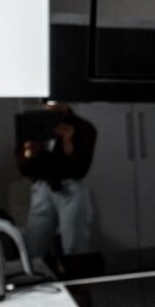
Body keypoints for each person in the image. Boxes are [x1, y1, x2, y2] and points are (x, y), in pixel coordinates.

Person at [15, 102, 97, 259]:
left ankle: (77, 281)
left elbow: (80, 169)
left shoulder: (82, 128)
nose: (50, 105)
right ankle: (37, 280)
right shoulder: (32, 125)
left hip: (69, 188)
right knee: (33, 246)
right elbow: (23, 168)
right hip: (42, 187)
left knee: (74, 246)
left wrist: (68, 143)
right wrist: (28, 153)